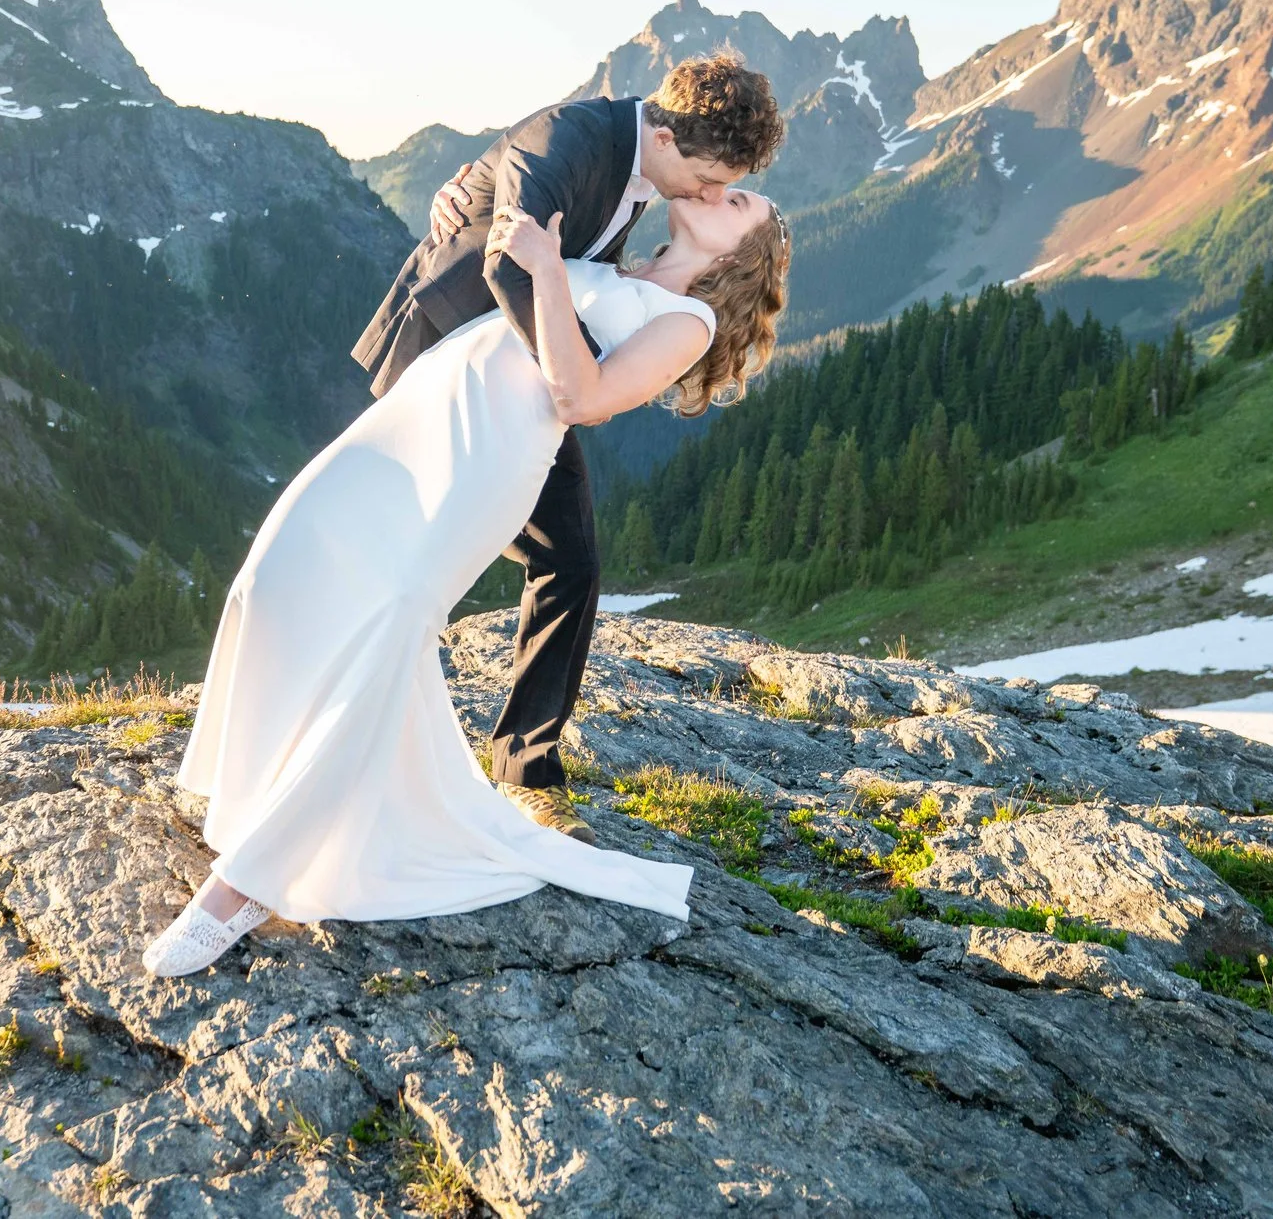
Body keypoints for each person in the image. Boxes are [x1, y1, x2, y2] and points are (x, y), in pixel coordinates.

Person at [144, 57, 791, 975]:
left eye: (738, 203)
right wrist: (481, 192)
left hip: (485, 451)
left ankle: (247, 883)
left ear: (738, 259)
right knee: (283, 564)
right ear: (672, 140)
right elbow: (526, 190)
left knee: (393, 619)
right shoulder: (623, 215)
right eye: (722, 186)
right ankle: (243, 781)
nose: (724, 192)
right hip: (426, 406)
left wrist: (549, 273)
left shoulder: (681, 318)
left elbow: (580, 393)